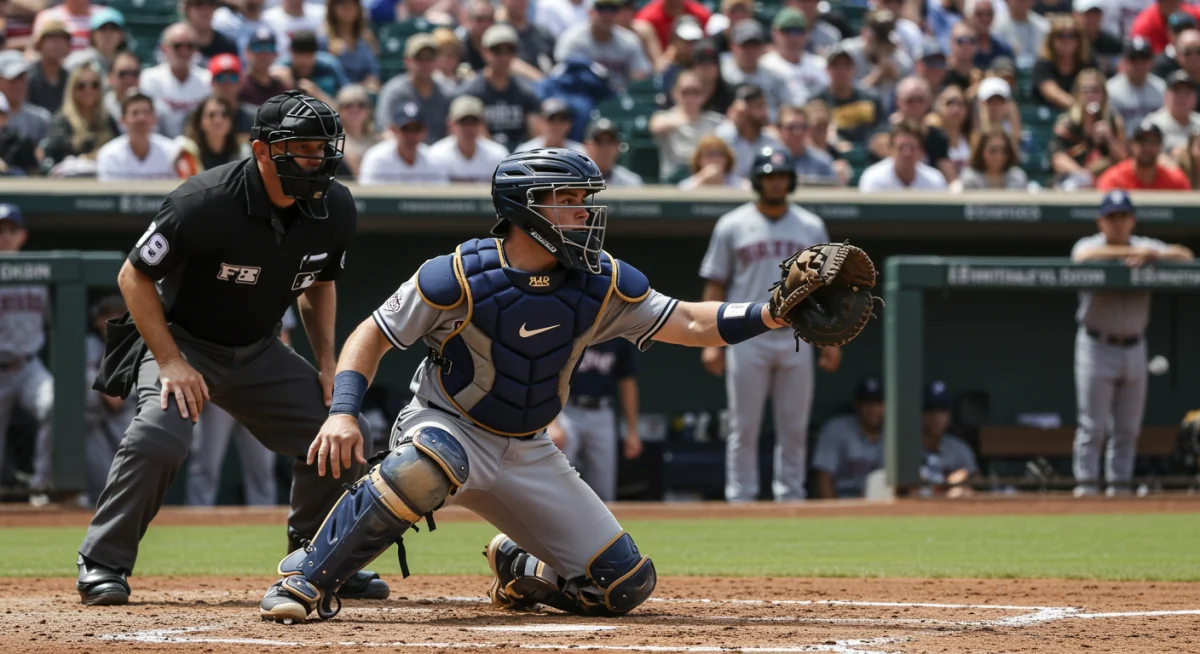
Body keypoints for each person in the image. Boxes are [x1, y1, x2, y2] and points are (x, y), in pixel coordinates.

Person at [256, 146, 858, 623]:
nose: (585, 212)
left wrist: (773, 314)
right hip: (449, 427)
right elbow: (373, 333)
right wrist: (342, 411)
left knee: (624, 585)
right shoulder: (458, 275)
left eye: (585, 199)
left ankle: (520, 567)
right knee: (421, 465)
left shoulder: (601, 282)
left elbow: (690, 321)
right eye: (568, 200)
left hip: (530, 448)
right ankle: (308, 577)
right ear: (526, 209)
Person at [76, 91, 386, 608]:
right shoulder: (204, 201)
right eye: (304, 148)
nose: (320, 159)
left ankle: (320, 557)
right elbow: (133, 276)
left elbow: (319, 284)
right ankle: (102, 562)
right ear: (263, 150)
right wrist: (171, 361)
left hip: (258, 349)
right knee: (158, 438)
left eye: (324, 147)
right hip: (182, 342)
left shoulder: (334, 207)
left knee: (344, 429)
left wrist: (329, 367)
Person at [699, 147, 840, 503]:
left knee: (793, 428)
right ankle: (740, 498)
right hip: (746, 334)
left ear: (790, 181)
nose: (775, 183)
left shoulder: (810, 225)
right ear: (757, 180)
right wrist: (709, 341)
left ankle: (790, 497)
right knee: (743, 427)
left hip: (797, 334)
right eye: (769, 177)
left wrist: (832, 338)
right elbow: (715, 284)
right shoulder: (731, 223)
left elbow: (824, 288)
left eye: (781, 177)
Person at [1070, 190, 1195, 497]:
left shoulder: (1146, 247)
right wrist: (1125, 257)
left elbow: (1186, 255)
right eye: (1111, 217)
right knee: (1093, 427)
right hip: (1096, 344)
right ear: (1101, 221)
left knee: (1127, 430)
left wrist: (1155, 256)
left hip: (1135, 345)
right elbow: (1082, 258)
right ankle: (1086, 492)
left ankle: (1120, 493)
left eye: (1123, 217)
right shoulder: (1090, 245)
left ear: (1132, 220)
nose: (1117, 223)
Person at [184, 307, 298, 507]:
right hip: (217, 390)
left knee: (262, 469)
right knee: (206, 466)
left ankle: (263, 527)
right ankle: (194, 521)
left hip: (258, 391)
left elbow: (283, 338)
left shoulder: (279, 281)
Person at [0, 203, 54, 507]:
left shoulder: (40, 273)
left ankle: (41, 487)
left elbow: (51, 324)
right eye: (0, 231)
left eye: (11, 231)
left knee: (56, 404)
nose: (5, 237)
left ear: (23, 235)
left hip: (29, 367)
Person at [547, 338, 643, 502]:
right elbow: (547, 377)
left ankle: (601, 527)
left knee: (603, 488)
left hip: (602, 413)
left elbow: (628, 383)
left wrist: (632, 430)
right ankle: (546, 522)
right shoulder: (571, 329)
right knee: (557, 477)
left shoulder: (619, 335)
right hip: (566, 409)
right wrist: (551, 423)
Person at [84, 295, 135, 508]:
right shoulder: (88, 345)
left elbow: (117, 401)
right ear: (96, 321)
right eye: (107, 314)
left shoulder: (140, 341)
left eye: (119, 313)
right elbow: (113, 399)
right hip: (96, 421)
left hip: (132, 414)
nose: (113, 318)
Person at [811, 377, 884, 499]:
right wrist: (835, 515)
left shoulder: (896, 434)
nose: (873, 409)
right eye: (867, 403)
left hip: (880, 505)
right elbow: (823, 481)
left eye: (878, 403)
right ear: (856, 404)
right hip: (842, 500)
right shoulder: (836, 429)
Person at [1096, 122, 1191, 189]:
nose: (1148, 148)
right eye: (1142, 142)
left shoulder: (1175, 181)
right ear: (1132, 145)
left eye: (1153, 142)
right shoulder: (1114, 179)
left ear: (1160, 147)